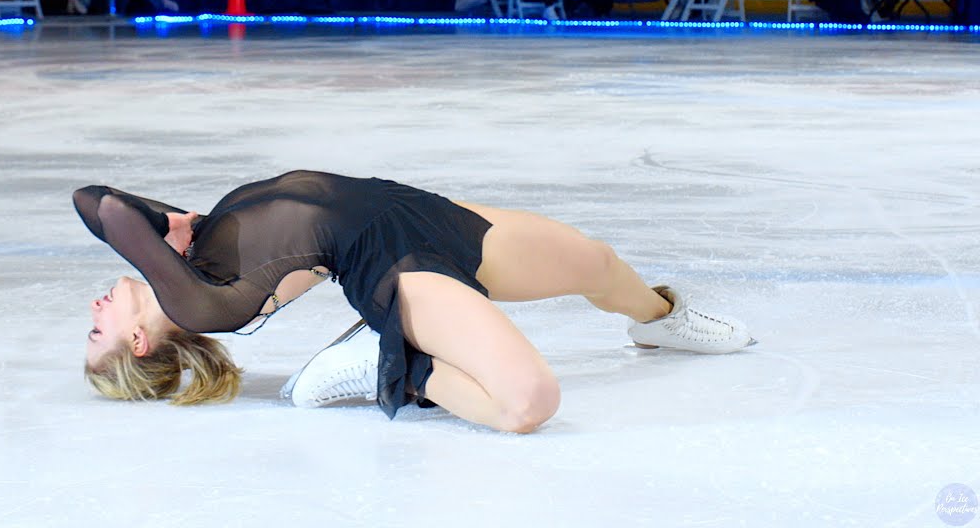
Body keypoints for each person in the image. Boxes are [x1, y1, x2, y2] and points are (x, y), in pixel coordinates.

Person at [75, 170, 754, 433]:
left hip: (413, 211)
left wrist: (170, 228)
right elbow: (106, 209)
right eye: (96, 333)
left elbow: (92, 198)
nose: (95, 311)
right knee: (528, 404)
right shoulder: (194, 304)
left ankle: (662, 322)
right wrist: (164, 229)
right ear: (140, 344)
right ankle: (394, 368)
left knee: (596, 263)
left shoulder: (182, 264)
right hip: (392, 267)